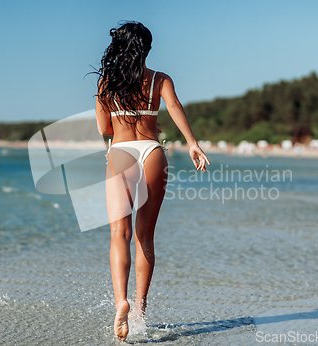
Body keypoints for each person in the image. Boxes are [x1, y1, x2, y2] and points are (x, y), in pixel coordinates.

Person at [95, 21, 210, 341]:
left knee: (120, 233)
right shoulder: (160, 79)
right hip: (152, 153)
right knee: (145, 237)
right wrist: (192, 142)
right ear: (147, 47)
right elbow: (173, 106)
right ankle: (141, 313)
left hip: (121, 153)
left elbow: (104, 129)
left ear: (119, 48)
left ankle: (121, 303)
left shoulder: (107, 83)